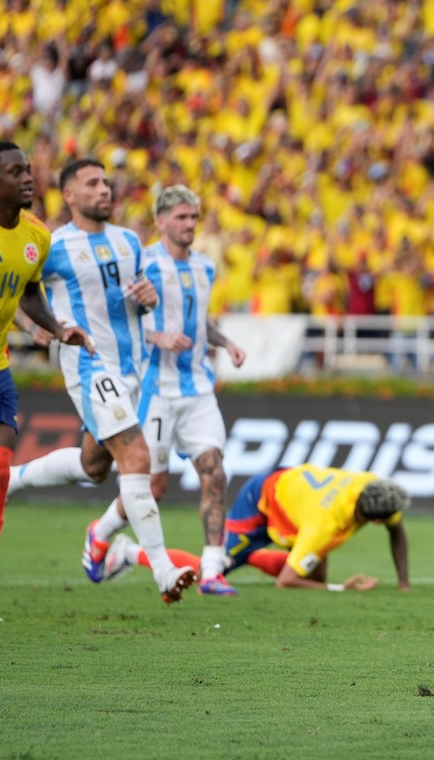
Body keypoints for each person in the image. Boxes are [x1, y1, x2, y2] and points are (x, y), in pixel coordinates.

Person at [17, 158, 197, 604]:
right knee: (137, 459)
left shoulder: (129, 241)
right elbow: (15, 289)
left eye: (106, 182)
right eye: (92, 183)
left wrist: (148, 299)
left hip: (133, 369)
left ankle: (14, 477)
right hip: (90, 366)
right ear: (70, 196)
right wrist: (29, 326)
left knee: (95, 468)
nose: (104, 189)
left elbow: (136, 299)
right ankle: (161, 571)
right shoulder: (52, 245)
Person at [0, 141, 92, 622]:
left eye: (29, 170)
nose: (28, 178)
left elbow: (29, 292)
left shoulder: (36, 236)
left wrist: (58, 329)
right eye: (15, 171)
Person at [138, 185, 247, 595]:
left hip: (198, 387)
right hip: (157, 388)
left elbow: (201, 322)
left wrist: (227, 342)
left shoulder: (204, 266)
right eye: (181, 218)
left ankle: (213, 568)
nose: (189, 225)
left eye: (193, 218)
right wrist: (158, 337)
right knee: (152, 488)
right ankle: (105, 537)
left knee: (214, 472)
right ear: (161, 221)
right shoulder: (143, 263)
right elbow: (120, 324)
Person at [105, 465, 410, 592]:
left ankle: (246, 555)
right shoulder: (324, 524)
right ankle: (129, 552)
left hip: (295, 498)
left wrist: (404, 584)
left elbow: (398, 531)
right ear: (375, 519)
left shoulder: (372, 486)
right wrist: (339, 590)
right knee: (205, 574)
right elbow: (286, 582)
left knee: (314, 574)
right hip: (261, 501)